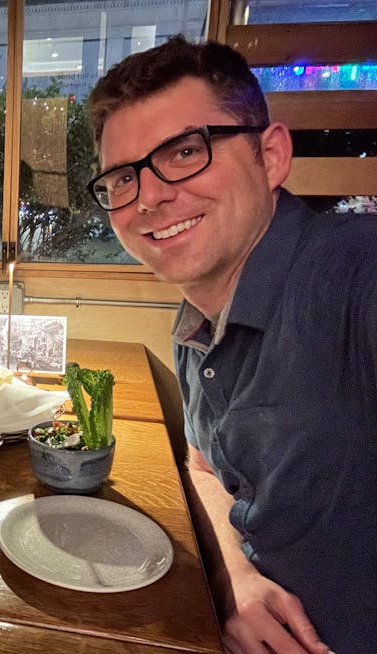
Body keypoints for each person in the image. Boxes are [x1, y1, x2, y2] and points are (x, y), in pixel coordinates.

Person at [87, 36, 376, 653]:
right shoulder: (195, 319)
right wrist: (235, 576)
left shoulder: (354, 275)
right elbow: (203, 467)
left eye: (186, 151)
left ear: (271, 156)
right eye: (121, 179)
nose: (149, 197)